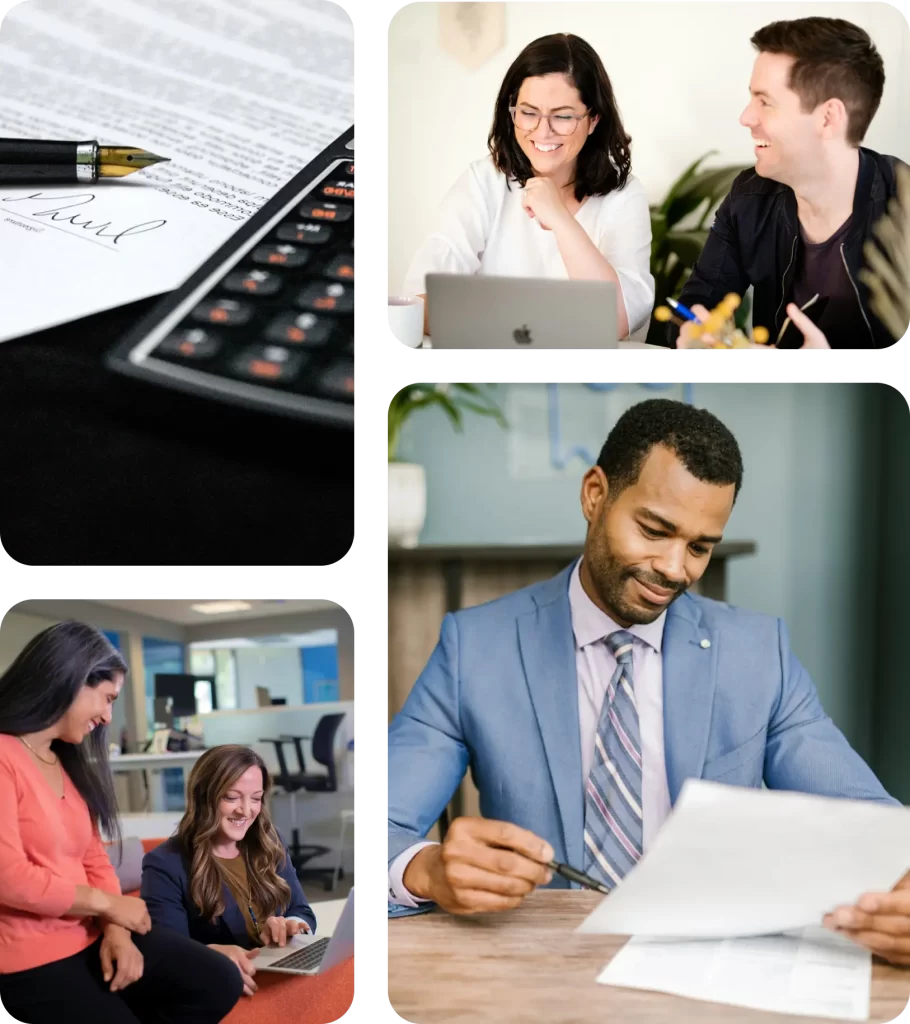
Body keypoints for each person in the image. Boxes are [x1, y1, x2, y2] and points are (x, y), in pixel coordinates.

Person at [387, 399, 910, 967]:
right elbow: (382, 824)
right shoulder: (474, 647)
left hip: (715, 967)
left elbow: (872, 824)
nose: (674, 568)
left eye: (699, 547)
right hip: (541, 964)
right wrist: (426, 869)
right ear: (595, 495)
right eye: (655, 530)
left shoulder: (760, 654)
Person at [0, 621, 314, 1022]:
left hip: (92, 935)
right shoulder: (5, 756)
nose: (109, 716)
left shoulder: (63, 762)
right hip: (32, 952)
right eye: (107, 698)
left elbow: (94, 861)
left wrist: (114, 929)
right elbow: (8, 877)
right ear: (71, 680)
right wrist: (109, 906)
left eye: (254, 798)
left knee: (218, 980)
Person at [668, 17, 906, 352]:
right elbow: (695, 305)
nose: (746, 117)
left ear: (828, 118)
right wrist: (698, 335)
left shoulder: (905, 208)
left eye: (764, 101)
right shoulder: (749, 198)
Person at [402, 33, 655, 343]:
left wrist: (560, 219)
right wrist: (547, 320)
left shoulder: (624, 195)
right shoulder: (483, 181)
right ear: (512, 112)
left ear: (593, 120)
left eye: (563, 116)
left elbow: (615, 320)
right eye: (528, 112)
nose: (542, 131)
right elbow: (416, 305)